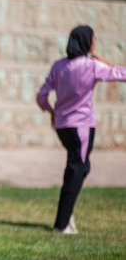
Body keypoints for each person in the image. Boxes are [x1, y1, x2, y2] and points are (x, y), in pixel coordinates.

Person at [36, 25, 126, 234]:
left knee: (81, 167)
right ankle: (62, 224)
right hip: (82, 126)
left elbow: (41, 96)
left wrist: (50, 111)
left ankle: (67, 215)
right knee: (77, 169)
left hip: (62, 126)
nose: (94, 43)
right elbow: (121, 73)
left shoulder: (59, 66)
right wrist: (101, 59)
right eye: (93, 40)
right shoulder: (91, 66)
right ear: (87, 42)